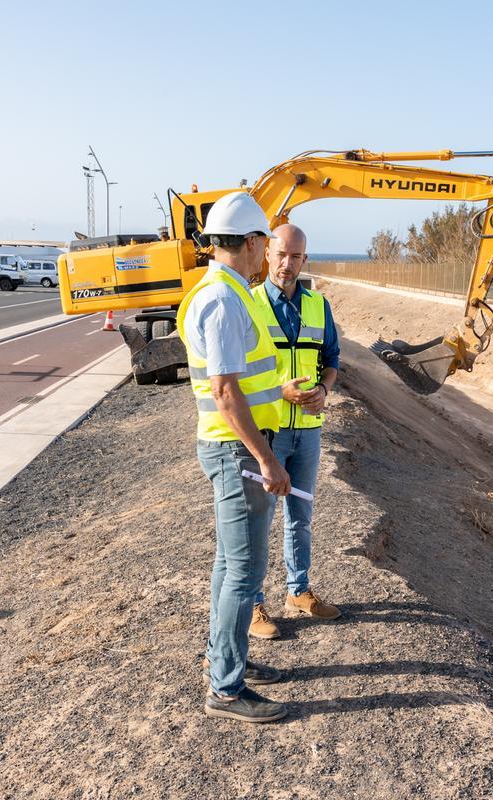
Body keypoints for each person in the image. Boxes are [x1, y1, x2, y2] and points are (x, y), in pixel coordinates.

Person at [175, 192, 306, 724]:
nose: (266, 255)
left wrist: (283, 392)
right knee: (242, 572)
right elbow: (226, 392)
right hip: (237, 454)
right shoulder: (225, 300)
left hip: (234, 449)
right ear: (252, 242)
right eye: (264, 245)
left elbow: (244, 383)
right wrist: (268, 460)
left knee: (230, 566)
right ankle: (225, 689)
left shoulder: (222, 291)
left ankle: (228, 660)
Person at [247, 223, 342, 640]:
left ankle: (298, 591)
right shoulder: (248, 305)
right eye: (281, 254)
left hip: (308, 431)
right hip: (267, 432)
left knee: (300, 516)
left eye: (296, 257)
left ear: (305, 259)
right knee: (257, 520)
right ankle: (252, 605)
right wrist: (276, 391)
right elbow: (235, 376)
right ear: (268, 253)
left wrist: (324, 389)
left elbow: (333, 358)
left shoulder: (319, 306)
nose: (288, 264)